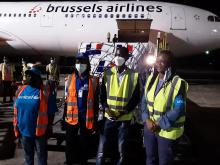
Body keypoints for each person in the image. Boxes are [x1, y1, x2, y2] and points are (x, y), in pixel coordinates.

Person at [141, 50, 188, 165]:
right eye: (157, 61)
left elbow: (178, 109)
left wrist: (159, 123)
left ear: (169, 65)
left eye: (162, 62)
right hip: (150, 128)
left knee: (164, 162)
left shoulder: (178, 83)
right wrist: (146, 119)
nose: (158, 64)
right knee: (150, 160)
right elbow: (144, 102)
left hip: (167, 131)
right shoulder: (151, 79)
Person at [96, 47, 140, 165]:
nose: (117, 58)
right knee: (102, 150)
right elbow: (102, 95)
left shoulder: (134, 75)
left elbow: (135, 98)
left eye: (120, 56)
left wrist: (125, 111)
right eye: (116, 55)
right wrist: (106, 108)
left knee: (122, 151)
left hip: (124, 119)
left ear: (126, 58)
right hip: (109, 118)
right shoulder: (107, 73)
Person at [65, 53, 99, 165]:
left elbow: (96, 102)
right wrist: (63, 117)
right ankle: (70, 161)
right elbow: (67, 99)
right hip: (72, 117)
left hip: (86, 117)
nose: (80, 64)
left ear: (87, 64)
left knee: (84, 143)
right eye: (78, 62)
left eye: (82, 62)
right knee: (70, 142)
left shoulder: (93, 80)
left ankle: (83, 161)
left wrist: (95, 119)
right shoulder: (69, 79)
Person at [13, 64, 48, 165]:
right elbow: (16, 109)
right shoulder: (21, 90)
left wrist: (49, 127)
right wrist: (16, 127)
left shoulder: (43, 91)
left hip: (39, 133)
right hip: (24, 131)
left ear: (37, 78)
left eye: (31, 75)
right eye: (28, 75)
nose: (28, 77)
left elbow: (50, 111)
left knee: (41, 159)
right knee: (28, 158)